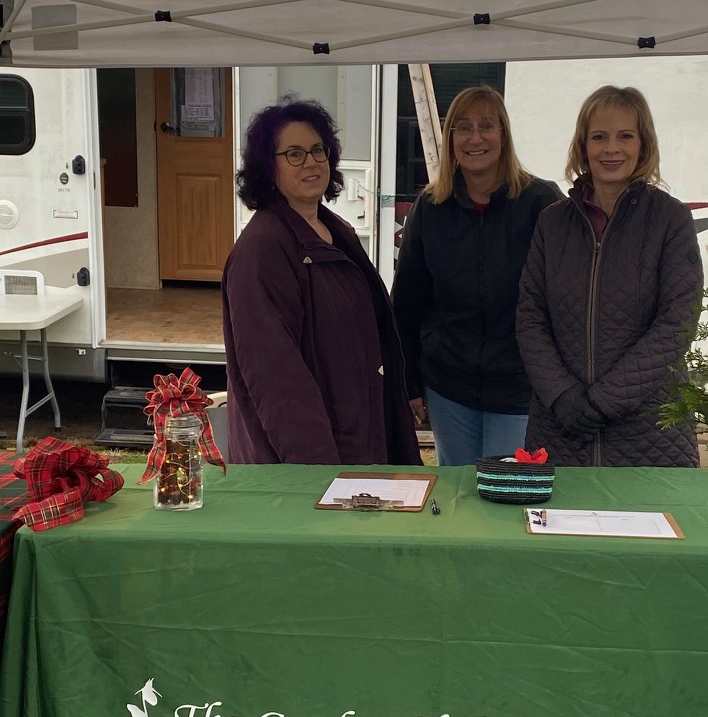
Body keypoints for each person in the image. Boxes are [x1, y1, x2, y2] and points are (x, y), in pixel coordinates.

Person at [221, 99, 419, 466]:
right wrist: (317, 471)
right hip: (312, 462)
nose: (311, 162)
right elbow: (275, 376)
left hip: (359, 443)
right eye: (294, 154)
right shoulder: (263, 249)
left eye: (317, 149)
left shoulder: (335, 231)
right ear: (267, 166)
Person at [515, 85, 703, 467]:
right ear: (583, 146)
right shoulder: (553, 223)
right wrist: (563, 396)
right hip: (562, 430)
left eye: (625, 136)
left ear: (643, 144)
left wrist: (602, 403)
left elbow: (676, 324)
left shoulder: (671, 219)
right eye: (599, 137)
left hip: (651, 433)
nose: (611, 149)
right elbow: (530, 318)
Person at [391, 86, 563, 465]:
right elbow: (406, 303)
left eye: (486, 126)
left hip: (520, 390)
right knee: (460, 494)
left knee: (507, 492)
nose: (475, 138)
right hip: (448, 389)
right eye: (463, 128)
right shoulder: (430, 208)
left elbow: (567, 300)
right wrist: (409, 382)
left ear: (504, 134)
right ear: (450, 138)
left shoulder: (542, 203)